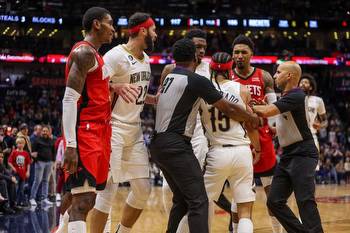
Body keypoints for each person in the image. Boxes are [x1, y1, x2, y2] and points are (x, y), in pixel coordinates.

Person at [150, 38, 259, 233]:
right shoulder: (201, 82)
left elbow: (158, 101)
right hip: (186, 145)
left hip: (159, 143)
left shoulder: (169, 77)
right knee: (199, 202)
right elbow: (228, 108)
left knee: (184, 200)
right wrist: (252, 116)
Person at [177, 52, 261, 233]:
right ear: (231, 68)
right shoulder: (242, 89)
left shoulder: (202, 91)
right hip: (241, 151)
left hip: (217, 152)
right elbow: (250, 124)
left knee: (199, 206)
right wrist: (258, 148)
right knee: (245, 211)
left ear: (211, 68)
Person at [90, 12, 158, 233]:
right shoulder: (114, 55)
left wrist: (153, 99)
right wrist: (113, 86)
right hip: (114, 129)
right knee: (107, 192)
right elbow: (93, 85)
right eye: (153, 30)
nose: (156, 35)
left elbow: (135, 92)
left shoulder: (146, 60)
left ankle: (122, 231)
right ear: (142, 31)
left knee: (143, 189)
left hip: (135, 130)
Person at [252, 61, 324, 233]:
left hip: (303, 153)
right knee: (274, 201)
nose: (275, 76)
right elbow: (288, 125)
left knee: (304, 200)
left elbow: (267, 111)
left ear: (289, 75)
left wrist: (245, 104)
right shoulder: (287, 97)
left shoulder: (297, 95)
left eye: (278, 72)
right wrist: (274, 130)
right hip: (289, 154)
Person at [61, 7, 115, 233]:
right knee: (83, 203)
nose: (113, 29)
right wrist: (71, 146)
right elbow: (69, 100)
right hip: (86, 134)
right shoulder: (84, 53)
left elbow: (93, 92)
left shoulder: (95, 55)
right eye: (110, 23)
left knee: (76, 200)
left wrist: (115, 87)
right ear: (96, 24)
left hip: (99, 132)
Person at [231, 34, 282, 233]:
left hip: (262, 135)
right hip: (238, 138)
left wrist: (274, 124)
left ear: (252, 54)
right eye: (236, 52)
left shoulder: (264, 76)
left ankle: (277, 230)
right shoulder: (227, 76)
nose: (240, 56)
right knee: (239, 193)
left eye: (244, 52)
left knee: (272, 193)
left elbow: (275, 106)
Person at [299, 74, 327, 151]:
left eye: (305, 82)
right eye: (301, 82)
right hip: (296, 138)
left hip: (311, 136)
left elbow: (325, 120)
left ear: (311, 87)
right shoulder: (293, 99)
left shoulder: (318, 100)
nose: (302, 84)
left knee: (314, 162)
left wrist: (320, 125)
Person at [29, 125, 55, 206]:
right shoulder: (37, 140)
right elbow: (32, 152)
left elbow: (54, 152)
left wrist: (53, 161)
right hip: (40, 163)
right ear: (41, 132)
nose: (45, 132)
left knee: (46, 181)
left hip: (49, 163)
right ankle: (32, 198)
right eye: (43, 131)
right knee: (37, 181)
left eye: (46, 131)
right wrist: (36, 161)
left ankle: (44, 198)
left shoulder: (51, 141)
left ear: (49, 132)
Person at [8, 137, 31, 206]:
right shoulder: (14, 152)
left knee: (21, 189)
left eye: (21, 143)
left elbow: (28, 163)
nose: (20, 145)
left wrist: (28, 171)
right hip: (16, 174)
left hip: (23, 174)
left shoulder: (25, 153)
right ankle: (13, 202)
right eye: (18, 143)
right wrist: (13, 168)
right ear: (16, 144)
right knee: (15, 188)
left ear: (24, 144)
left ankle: (19, 202)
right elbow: (9, 161)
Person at [0, 150, 17, 214]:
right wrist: (10, 178)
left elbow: (6, 171)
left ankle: (13, 205)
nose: (1, 158)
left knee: (12, 183)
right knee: (3, 182)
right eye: (0, 157)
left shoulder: (1, 164)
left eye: (2, 157)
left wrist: (12, 177)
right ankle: (5, 206)